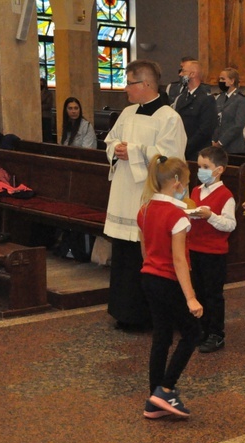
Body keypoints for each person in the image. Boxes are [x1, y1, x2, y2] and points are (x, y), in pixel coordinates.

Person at [104, 60, 187, 330]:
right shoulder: (127, 113)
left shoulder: (169, 117)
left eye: (130, 83)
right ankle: (123, 312)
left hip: (146, 193)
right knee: (124, 256)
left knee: (145, 254)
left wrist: (136, 150)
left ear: (146, 84)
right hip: (123, 191)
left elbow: (170, 157)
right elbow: (110, 139)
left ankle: (147, 317)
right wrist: (116, 148)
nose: (126, 88)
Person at [137, 154, 203, 419]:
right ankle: (165, 389)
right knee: (192, 333)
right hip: (168, 280)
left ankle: (153, 402)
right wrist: (191, 297)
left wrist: (152, 269)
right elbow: (179, 260)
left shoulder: (144, 209)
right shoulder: (177, 215)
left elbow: (144, 249)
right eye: (186, 181)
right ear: (176, 182)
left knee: (162, 337)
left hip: (148, 278)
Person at [188, 146, 237, 354]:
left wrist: (210, 216)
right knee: (198, 291)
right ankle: (201, 330)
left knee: (213, 295)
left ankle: (216, 334)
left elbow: (230, 224)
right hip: (194, 248)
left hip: (214, 253)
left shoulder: (226, 196)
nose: (201, 171)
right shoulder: (196, 191)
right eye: (199, 167)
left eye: (206, 167)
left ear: (219, 170)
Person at [173, 60, 217, 161]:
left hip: (197, 153)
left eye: (183, 71)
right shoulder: (182, 97)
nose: (180, 74)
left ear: (192, 74)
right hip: (181, 150)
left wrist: (186, 146)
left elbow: (205, 129)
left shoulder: (206, 99)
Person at [212, 67, 245, 154]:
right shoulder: (219, 97)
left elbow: (238, 125)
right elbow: (215, 120)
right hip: (216, 146)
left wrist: (221, 142)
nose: (220, 81)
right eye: (219, 79)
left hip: (233, 147)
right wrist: (213, 139)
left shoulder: (240, 99)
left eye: (223, 79)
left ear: (232, 81)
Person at [40, 77, 54, 142]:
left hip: (46, 116)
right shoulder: (36, 92)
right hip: (39, 117)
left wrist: (39, 107)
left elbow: (49, 105)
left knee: (47, 133)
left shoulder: (48, 93)